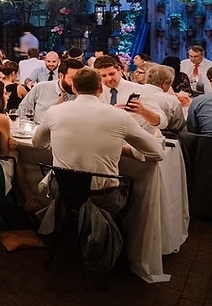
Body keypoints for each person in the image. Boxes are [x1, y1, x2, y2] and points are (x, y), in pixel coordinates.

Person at [33, 67, 164, 213]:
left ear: (74, 89)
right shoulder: (119, 116)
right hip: (104, 197)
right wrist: (118, 148)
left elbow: (37, 143)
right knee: (134, 193)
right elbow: (157, 153)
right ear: (101, 89)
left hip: (64, 192)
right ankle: (114, 232)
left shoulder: (54, 111)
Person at [93, 55, 166, 135]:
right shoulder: (96, 93)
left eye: (112, 74)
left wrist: (143, 111)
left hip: (138, 141)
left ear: (119, 70)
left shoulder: (140, 90)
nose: (109, 79)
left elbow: (163, 123)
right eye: (104, 76)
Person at [17, 58, 84, 124]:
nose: (76, 82)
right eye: (73, 78)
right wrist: (27, 126)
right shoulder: (41, 87)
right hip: (38, 130)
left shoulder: (82, 94)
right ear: (61, 76)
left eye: (79, 78)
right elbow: (23, 107)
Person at [141, 65, 187, 132]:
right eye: (170, 84)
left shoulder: (132, 91)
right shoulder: (171, 101)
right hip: (164, 138)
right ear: (165, 83)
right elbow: (178, 127)